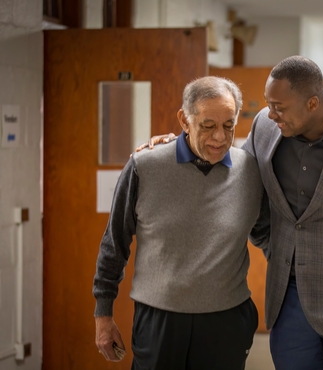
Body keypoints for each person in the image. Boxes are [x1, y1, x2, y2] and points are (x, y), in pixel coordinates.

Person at [146, 56, 323, 370]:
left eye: (279, 106)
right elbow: (238, 180)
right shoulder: (266, 128)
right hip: (288, 300)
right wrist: (178, 147)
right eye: (268, 103)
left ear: (311, 103)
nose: (270, 113)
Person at [93, 76, 266, 369]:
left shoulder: (250, 170)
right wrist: (103, 314)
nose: (220, 138)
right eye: (208, 126)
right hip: (160, 320)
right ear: (184, 121)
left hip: (227, 321)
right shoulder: (144, 166)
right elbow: (114, 245)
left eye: (228, 125)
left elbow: (273, 236)